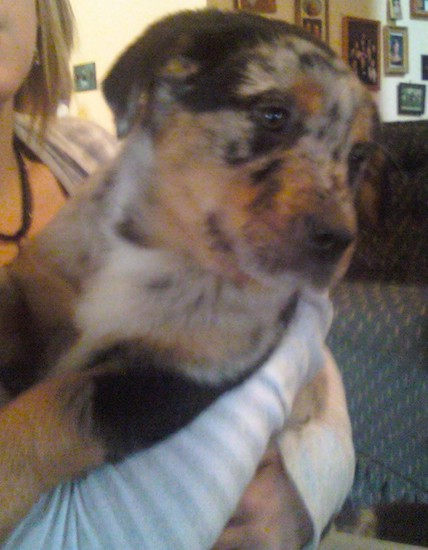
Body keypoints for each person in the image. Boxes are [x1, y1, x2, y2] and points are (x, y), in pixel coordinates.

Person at [0, 1, 355, 548]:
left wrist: (308, 485)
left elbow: (298, 359)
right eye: (273, 117)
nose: (339, 212)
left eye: (350, 158)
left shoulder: (87, 151)